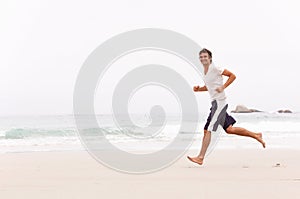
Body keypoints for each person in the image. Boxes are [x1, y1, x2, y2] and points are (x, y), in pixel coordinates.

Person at [187, 48, 266, 166]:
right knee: (229, 129)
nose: (203, 58)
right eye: (201, 57)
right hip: (215, 103)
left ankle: (201, 157)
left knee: (208, 129)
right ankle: (256, 135)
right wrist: (199, 89)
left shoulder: (215, 68)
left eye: (205, 56)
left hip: (219, 104)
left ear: (210, 58)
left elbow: (232, 76)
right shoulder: (206, 71)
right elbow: (210, 87)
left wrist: (223, 87)